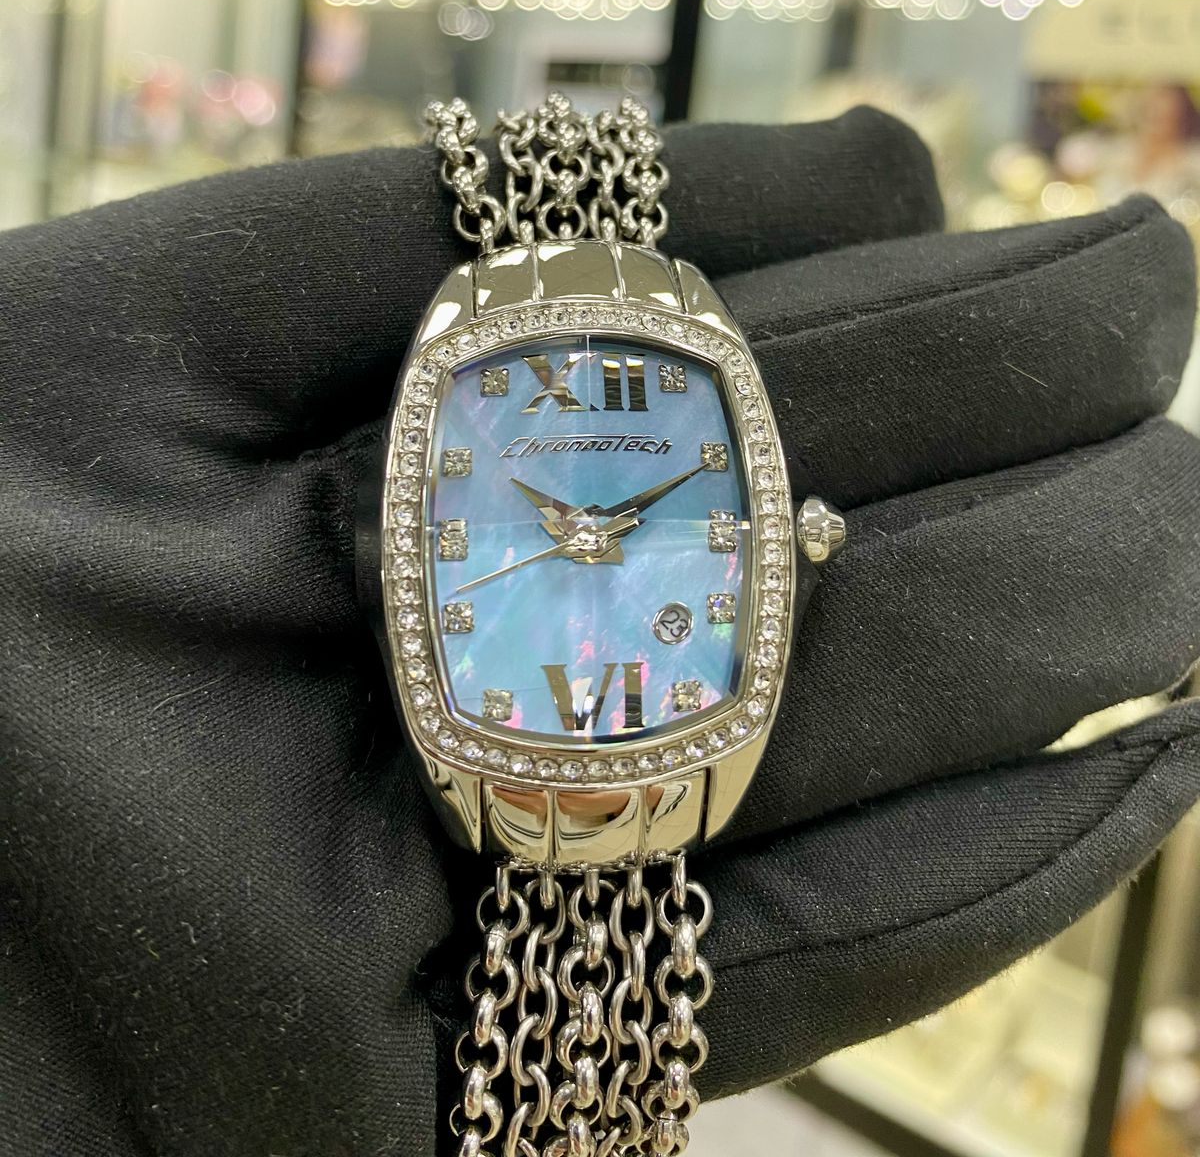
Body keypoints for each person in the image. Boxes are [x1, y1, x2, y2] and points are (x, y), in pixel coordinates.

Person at [1, 109, 1197, 1156]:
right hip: (507, 748)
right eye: (567, 522)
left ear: (795, 536)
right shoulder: (482, 395)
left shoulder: (597, 405)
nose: (586, 537)